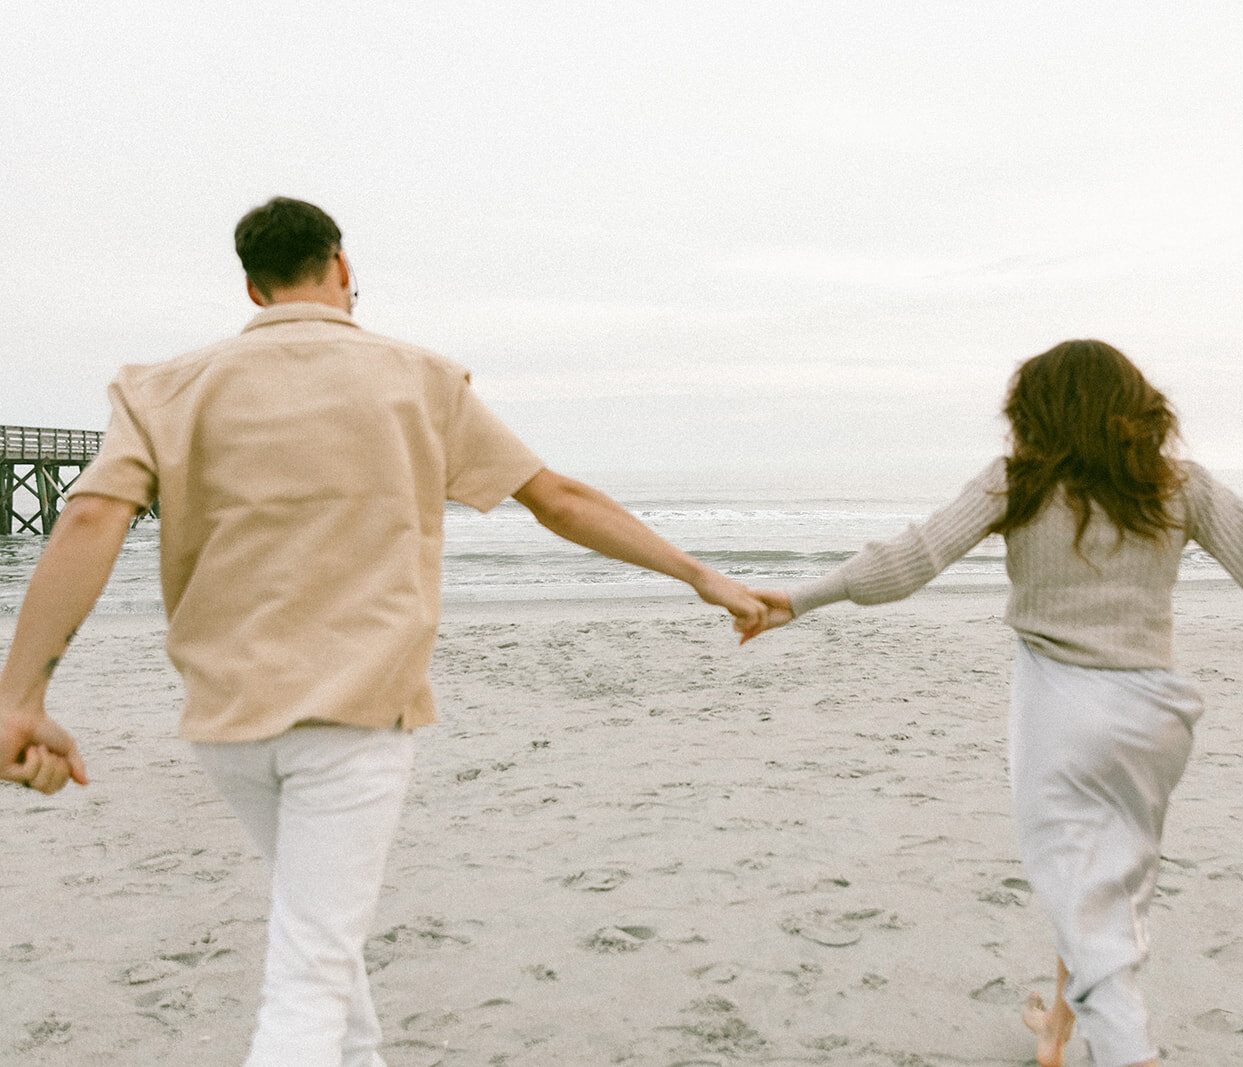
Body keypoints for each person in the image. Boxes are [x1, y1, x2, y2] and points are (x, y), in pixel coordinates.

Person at [0, 196, 767, 1066]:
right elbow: (557, 498)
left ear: (252, 287)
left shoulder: (161, 387)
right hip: (355, 719)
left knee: (324, 945)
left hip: (227, 725)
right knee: (310, 982)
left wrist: (19, 696)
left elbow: (92, 518)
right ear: (344, 268)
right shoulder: (420, 378)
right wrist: (702, 575)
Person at [745, 339, 1243, 1067]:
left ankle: (1126, 1051)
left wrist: (799, 600)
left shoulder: (1016, 482)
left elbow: (911, 558)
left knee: (1092, 900)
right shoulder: (1180, 486)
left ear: (1036, 410)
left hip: (1061, 712)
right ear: (1136, 408)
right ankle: (1058, 1034)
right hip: (1154, 714)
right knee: (1106, 880)